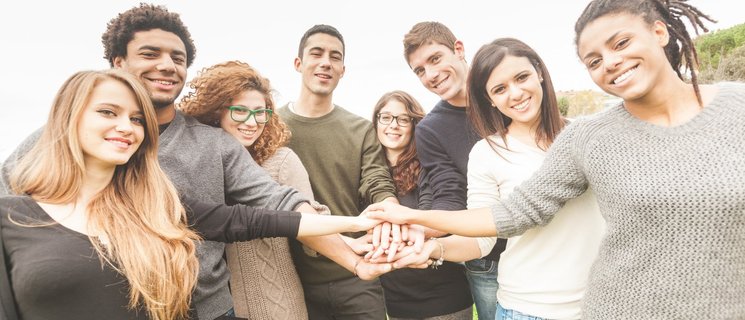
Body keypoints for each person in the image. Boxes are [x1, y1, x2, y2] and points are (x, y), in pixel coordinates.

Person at [0, 5, 390, 320]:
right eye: (150, 54)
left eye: (178, 58)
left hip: (210, 309)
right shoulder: (47, 143)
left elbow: (277, 207)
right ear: (117, 62)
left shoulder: (211, 148)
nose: (167, 65)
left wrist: (353, 258)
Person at [368, 0, 745, 318]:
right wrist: (426, 235)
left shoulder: (590, 132)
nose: (514, 93)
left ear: (541, 75)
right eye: (499, 88)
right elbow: (505, 218)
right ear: (491, 100)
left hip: (602, 301)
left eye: (521, 78)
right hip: (525, 305)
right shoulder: (492, 147)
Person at [276, 24, 399, 319]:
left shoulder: (361, 130)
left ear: (343, 69)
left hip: (355, 275)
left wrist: (390, 208)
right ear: (298, 63)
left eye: (335, 57)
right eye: (316, 54)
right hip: (294, 280)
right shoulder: (273, 127)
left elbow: (376, 182)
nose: (325, 63)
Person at [179, 60, 314, 319]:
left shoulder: (281, 161)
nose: (252, 122)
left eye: (260, 112)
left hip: (274, 304)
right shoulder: (197, 162)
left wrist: (349, 241)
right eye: (240, 111)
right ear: (217, 111)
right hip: (208, 306)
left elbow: (311, 231)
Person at [402, 21, 502, 320]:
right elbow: (450, 193)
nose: (430, 75)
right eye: (419, 70)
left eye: (435, 59)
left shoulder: (506, 94)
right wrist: (419, 229)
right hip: (488, 259)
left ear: (458, 49)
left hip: (550, 241)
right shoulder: (431, 129)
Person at [372, 91, 473, 320]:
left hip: (442, 297)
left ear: (414, 124)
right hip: (396, 302)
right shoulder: (370, 175)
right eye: (386, 117)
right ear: (376, 121)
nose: (393, 125)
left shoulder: (428, 167)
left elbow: (432, 216)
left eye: (403, 119)